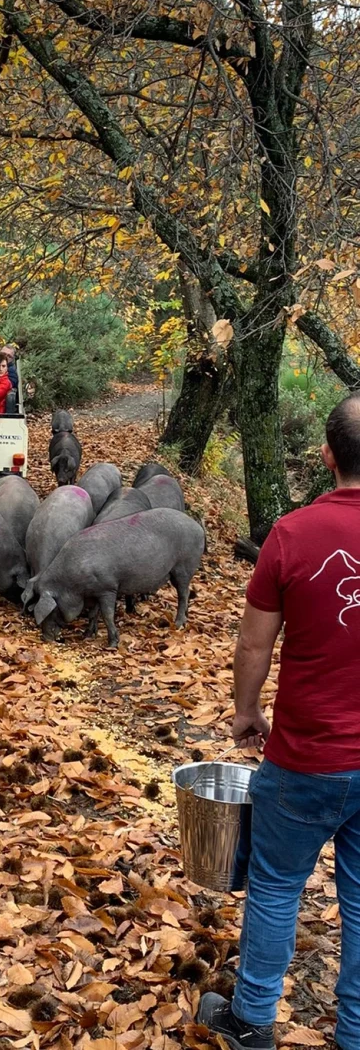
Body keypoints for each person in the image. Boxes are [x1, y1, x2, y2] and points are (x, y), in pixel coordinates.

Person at [198, 392, 360, 1050]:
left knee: (273, 887)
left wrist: (245, 710)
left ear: (326, 456)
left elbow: (254, 644)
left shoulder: (291, 535)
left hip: (303, 760)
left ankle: (253, 1021)